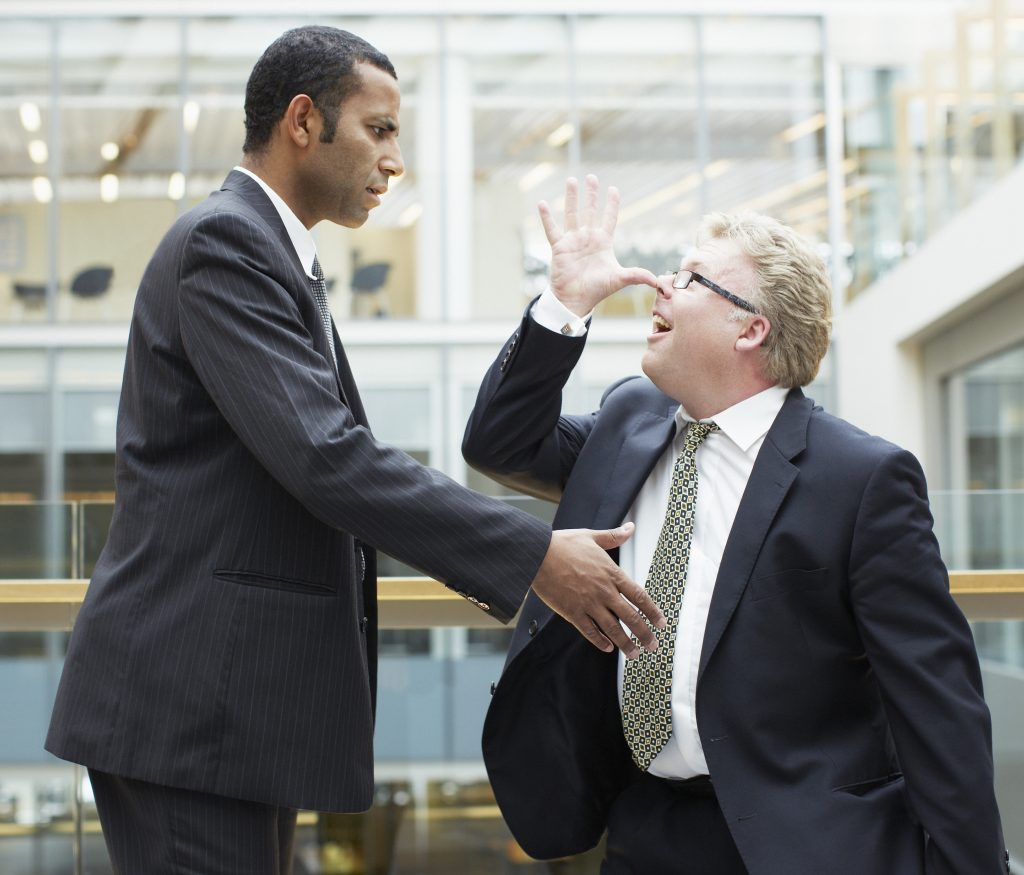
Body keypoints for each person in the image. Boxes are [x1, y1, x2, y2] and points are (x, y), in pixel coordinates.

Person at [44, 30, 666, 875]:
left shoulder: (272, 253)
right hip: (190, 705)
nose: (395, 160)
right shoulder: (226, 244)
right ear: (304, 121)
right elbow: (326, 458)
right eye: (379, 130)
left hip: (230, 706)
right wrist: (534, 556)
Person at [463, 174, 1009, 874]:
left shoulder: (863, 478)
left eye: (690, 278)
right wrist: (564, 302)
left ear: (751, 328)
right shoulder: (629, 419)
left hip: (810, 841)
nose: (661, 286)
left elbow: (939, 708)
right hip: (644, 827)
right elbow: (497, 443)